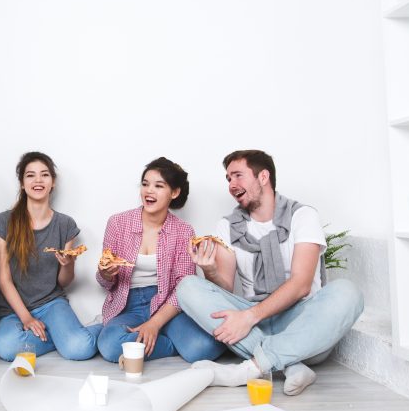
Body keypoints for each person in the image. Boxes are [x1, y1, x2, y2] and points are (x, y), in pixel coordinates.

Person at [177, 149, 364, 396]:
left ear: (263, 177)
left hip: (301, 324)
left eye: (237, 176)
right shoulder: (227, 226)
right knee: (188, 286)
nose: (231, 185)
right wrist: (210, 270)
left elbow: (301, 285)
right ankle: (290, 364)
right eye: (228, 179)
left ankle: (251, 368)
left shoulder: (302, 216)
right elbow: (224, 289)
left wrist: (249, 317)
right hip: (254, 328)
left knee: (348, 293)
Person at [95, 157, 227, 363]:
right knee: (110, 345)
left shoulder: (184, 231)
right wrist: (104, 274)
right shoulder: (118, 223)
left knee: (205, 347)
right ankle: (169, 344)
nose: (149, 191)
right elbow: (105, 282)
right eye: (145, 184)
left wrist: (155, 323)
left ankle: (142, 345)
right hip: (128, 305)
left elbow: (184, 287)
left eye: (159, 186)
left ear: (174, 193)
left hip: (168, 305)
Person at [0, 152, 99, 361]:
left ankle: (96, 328)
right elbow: (4, 279)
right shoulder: (4, 221)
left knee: (79, 349)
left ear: (53, 183)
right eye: (30, 175)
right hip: (14, 310)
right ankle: (62, 338)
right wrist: (26, 318)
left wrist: (68, 265)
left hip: (51, 303)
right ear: (22, 183)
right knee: (6, 349)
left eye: (44, 175)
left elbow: (64, 282)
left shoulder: (65, 224)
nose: (38, 180)